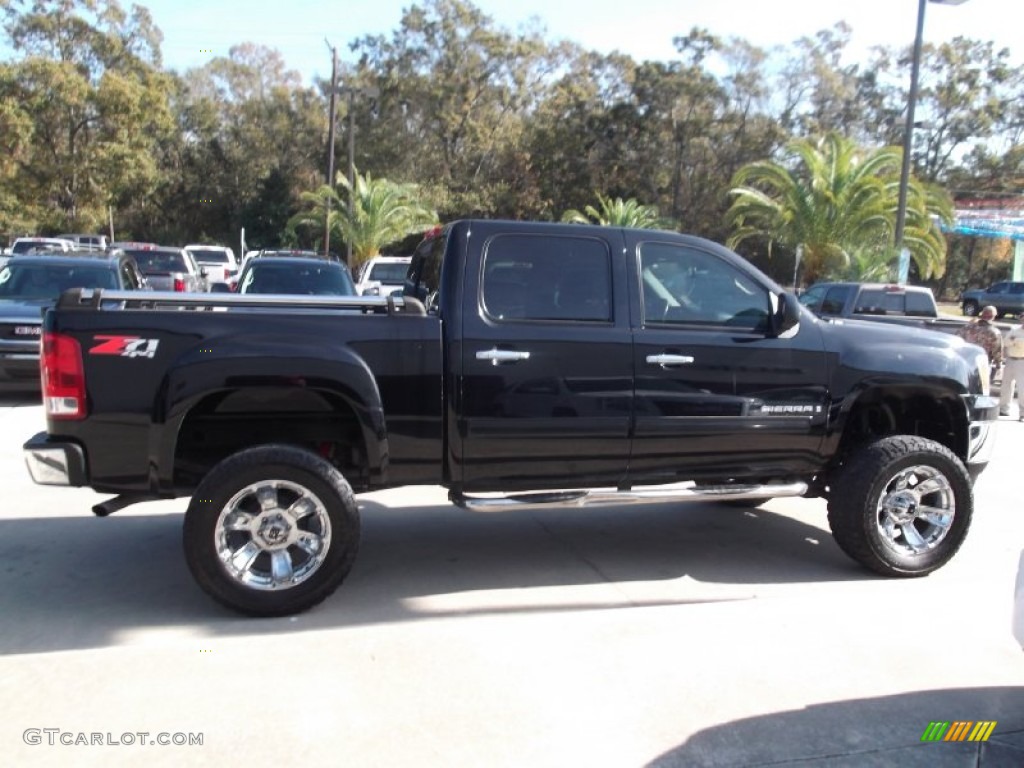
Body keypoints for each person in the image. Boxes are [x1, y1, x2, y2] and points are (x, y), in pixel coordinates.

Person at [957, 304, 1004, 386]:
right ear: (993, 316)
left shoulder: (967, 327)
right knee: (980, 388)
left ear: (982, 314)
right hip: (982, 364)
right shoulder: (994, 332)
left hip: (965, 361)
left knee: (964, 386)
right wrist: (998, 365)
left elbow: (956, 339)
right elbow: (997, 351)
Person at [1000, 311, 1024, 420]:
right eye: (1022, 317)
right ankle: (1004, 409)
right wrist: (1014, 341)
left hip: (1022, 361)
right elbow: (1006, 342)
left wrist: (1016, 340)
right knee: (1006, 385)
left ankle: (1022, 413)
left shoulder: (1015, 333)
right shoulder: (1014, 329)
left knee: (1022, 388)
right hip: (1010, 359)